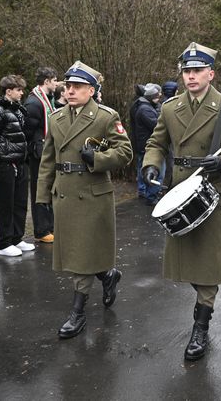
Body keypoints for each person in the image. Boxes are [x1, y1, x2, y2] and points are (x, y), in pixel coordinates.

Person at [142, 42, 221, 361]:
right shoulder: (169, 107)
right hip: (181, 193)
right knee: (188, 265)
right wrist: (151, 163)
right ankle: (203, 305)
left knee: (208, 266)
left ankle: (201, 326)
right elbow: (156, 142)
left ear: (211, 73)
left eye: (196, 71)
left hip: (212, 194)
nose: (190, 77)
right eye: (186, 71)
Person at [36, 61, 132, 339]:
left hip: (92, 194)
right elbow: (47, 161)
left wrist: (98, 159)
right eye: (68, 86)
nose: (70, 91)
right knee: (77, 252)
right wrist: (43, 195)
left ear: (91, 90)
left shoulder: (105, 116)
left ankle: (77, 313)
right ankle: (107, 275)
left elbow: (126, 152)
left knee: (81, 256)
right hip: (65, 193)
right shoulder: (56, 118)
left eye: (77, 86)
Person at [0, 75, 35, 257]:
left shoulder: (18, 110)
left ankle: (16, 237)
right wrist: (0, 160)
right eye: (19, 90)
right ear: (8, 91)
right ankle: (4, 241)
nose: (22, 93)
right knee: (6, 203)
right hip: (5, 164)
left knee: (20, 201)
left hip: (20, 161)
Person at [23, 67, 58, 244]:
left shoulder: (45, 101)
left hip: (45, 151)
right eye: (54, 80)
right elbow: (28, 131)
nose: (56, 84)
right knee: (40, 190)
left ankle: (49, 225)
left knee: (48, 189)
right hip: (38, 154)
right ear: (46, 82)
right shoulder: (34, 103)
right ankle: (41, 229)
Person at [133, 83, 165, 205]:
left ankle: (145, 192)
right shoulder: (145, 109)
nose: (159, 97)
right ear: (152, 97)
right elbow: (157, 126)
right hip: (148, 145)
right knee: (156, 171)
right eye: (157, 95)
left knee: (144, 170)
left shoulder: (143, 106)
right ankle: (151, 196)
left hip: (143, 144)